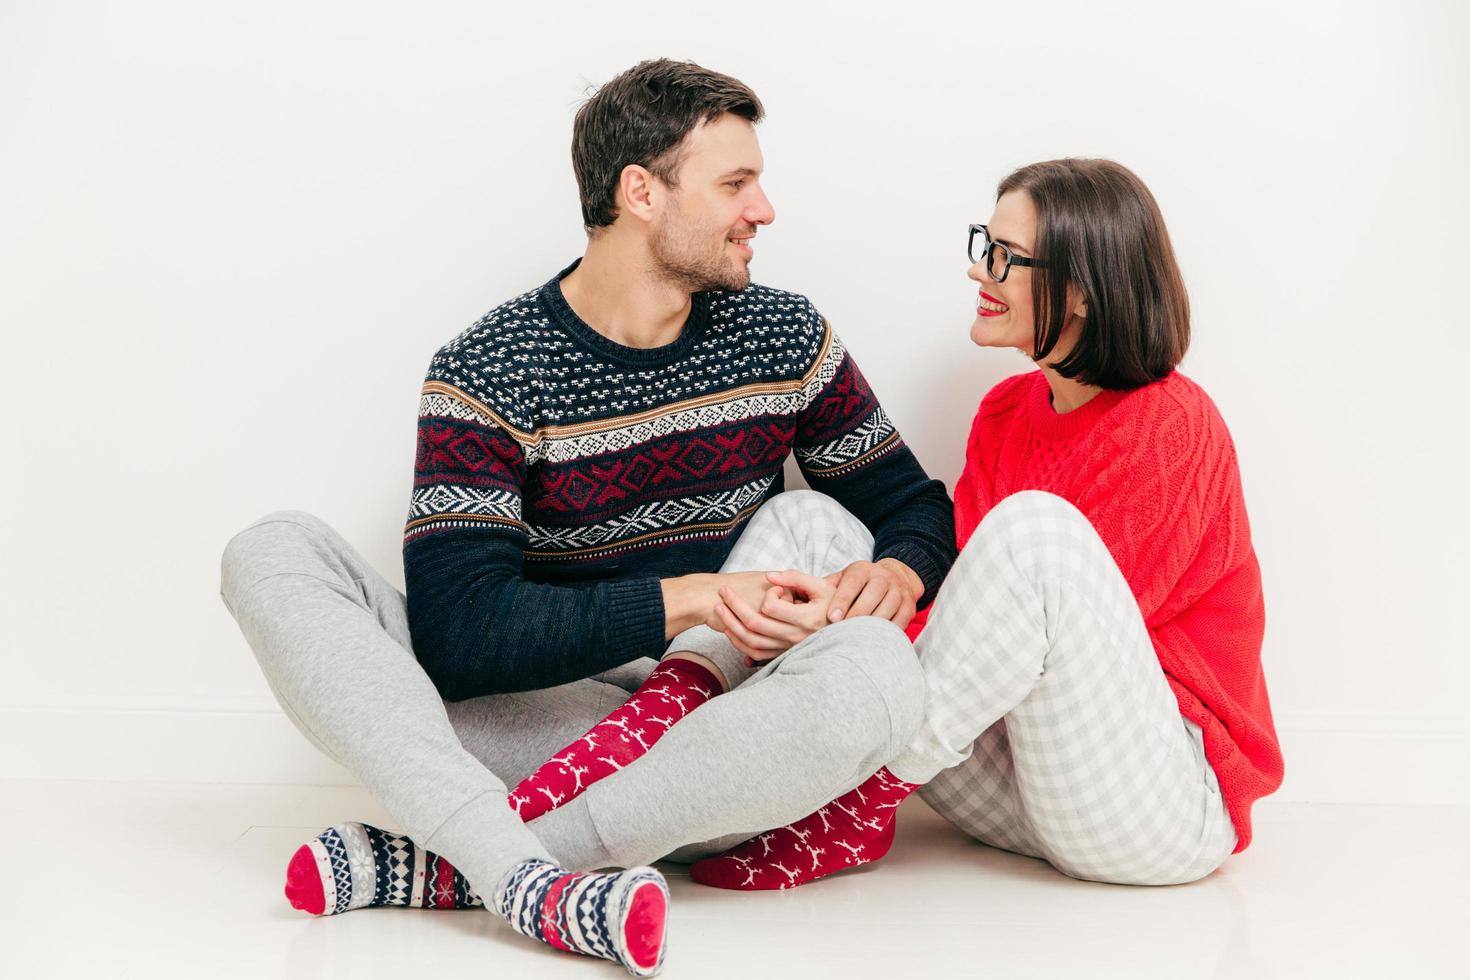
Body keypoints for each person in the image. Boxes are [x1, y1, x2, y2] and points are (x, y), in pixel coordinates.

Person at [218, 59, 954, 976]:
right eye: (734, 183)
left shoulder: (784, 336)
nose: (763, 209)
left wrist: (903, 569)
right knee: (271, 553)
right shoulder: (489, 369)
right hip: (544, 723)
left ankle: (475, 867)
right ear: (640, 191)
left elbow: (912, 503)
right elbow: (457, 636)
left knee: (880, 674)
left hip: (711, 736)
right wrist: (688, 598)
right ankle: (539, 870)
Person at [688, 158, 1285, 891]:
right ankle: (670, 723)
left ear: (1081, 292)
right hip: (1012, 782)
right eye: (985, 244)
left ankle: (853, 809)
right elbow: (970, 619)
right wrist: (848, 621)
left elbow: (1066, 635)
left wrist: (843, 639)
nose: (981, 272)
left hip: (1152, 801)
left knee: (1033, 532)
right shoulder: (1005, 415)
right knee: (805, 517)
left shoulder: (1171, 425)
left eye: (1006, 257)